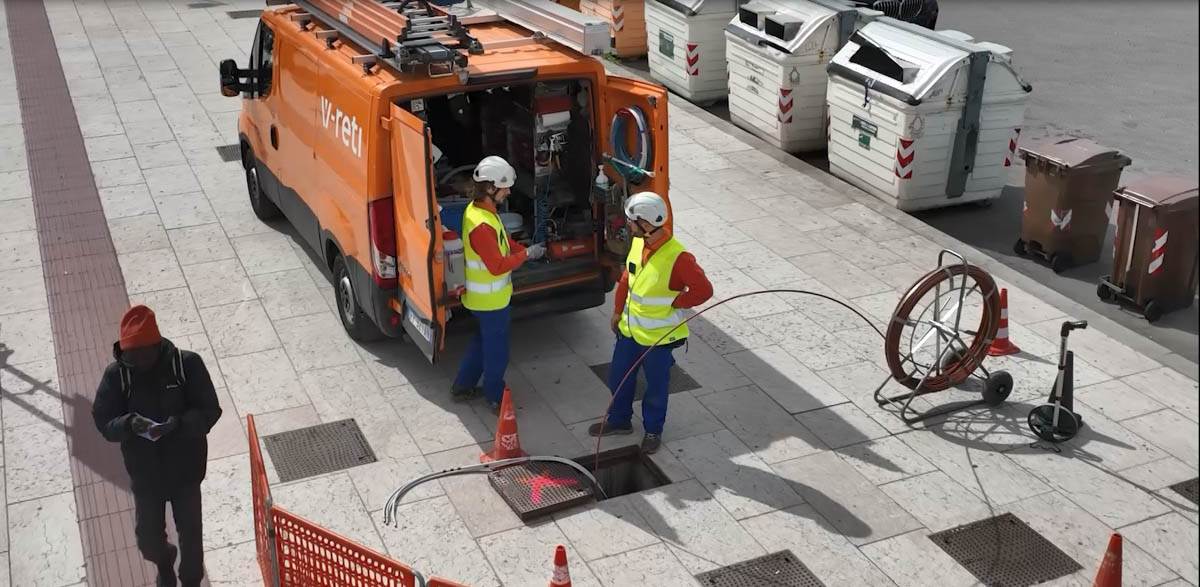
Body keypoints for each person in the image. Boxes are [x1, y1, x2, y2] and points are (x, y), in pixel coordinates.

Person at [92, 305, 222, 587]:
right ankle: (164, 561)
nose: (135, 358)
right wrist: (128, 424)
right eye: (129, 352)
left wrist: (179, 424)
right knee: (147, 539)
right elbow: (103, 421)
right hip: (146, 474)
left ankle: (190, 582)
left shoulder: (186, 365)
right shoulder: (117, 376)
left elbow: (210, 410)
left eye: (141, 352)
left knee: (191, 537)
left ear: (156, 345)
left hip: (185, 470)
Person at [588, 191, 712, 453]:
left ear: (645, 223)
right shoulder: (637, 243)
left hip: (658, 338)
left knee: (656, 387)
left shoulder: (679, 257)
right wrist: (617, 311)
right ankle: (620, 421)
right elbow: (626, 280)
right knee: (618, 378)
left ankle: (653, 431)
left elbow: (704, 290)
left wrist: (676, 302)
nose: (628, 225)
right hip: (630, 331)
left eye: (631, 220)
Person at [451, 155, 545, 410]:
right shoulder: (482, 225)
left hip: (483, 299)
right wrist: (526, 255)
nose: (509, 191)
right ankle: (494, 398)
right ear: (491, 188)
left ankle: (462, 386)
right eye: (505, 187)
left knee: (481, 343)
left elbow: (503, 242)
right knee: (497, 353)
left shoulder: (481, 212)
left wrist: (524, 249)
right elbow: (496, 266)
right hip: (490, 302)